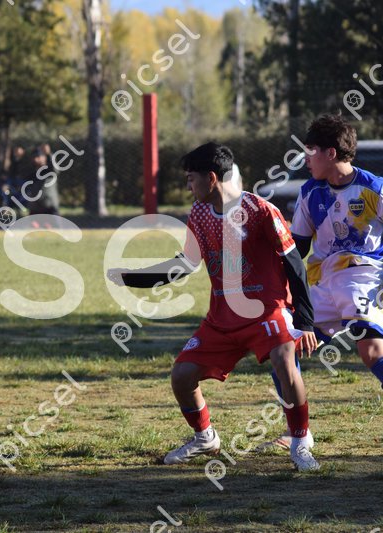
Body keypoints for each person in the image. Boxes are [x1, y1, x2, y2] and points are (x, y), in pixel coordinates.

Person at [108, 142, 320, 471]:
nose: (188, 186)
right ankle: (205, 437)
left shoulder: (259, 209)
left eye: (190, 179)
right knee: (181, 376)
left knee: (283, 359)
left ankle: (301, 442)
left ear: (210, 178)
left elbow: (293, 262)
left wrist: (304, 322)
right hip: (222, 318)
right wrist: (132, 277)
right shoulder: (199, 214)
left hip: (267, 310)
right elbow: (184, 264)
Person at [289, 114, 383, 392]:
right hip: (322, 282)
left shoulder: (373, 189)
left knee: (372, 351)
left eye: (310, 151)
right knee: (285, 349)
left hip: (363, 277)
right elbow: (297, 247)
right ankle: (296, 421)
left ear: (330, 153)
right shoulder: (309, 192)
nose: (305, 159)